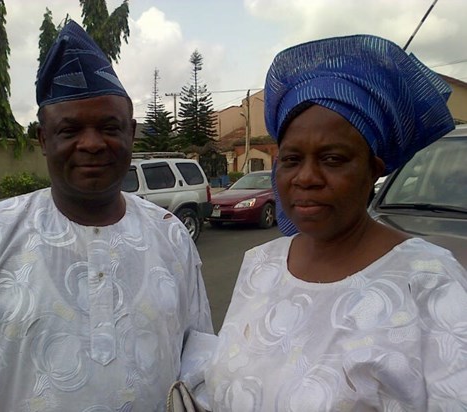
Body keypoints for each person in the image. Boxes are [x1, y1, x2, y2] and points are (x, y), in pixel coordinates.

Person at [0, 20, 213, 411]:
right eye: (69, 130)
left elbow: (200, 365)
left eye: (109, 127)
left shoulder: (171, 237)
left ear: (131, 132)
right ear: (43, 139)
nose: (91, 143)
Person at [197, 35, 467, 411]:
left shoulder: (429, 282)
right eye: (291, 159)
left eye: (333, 158)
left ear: (373, 169)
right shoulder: (261, 264)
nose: (306, 177)